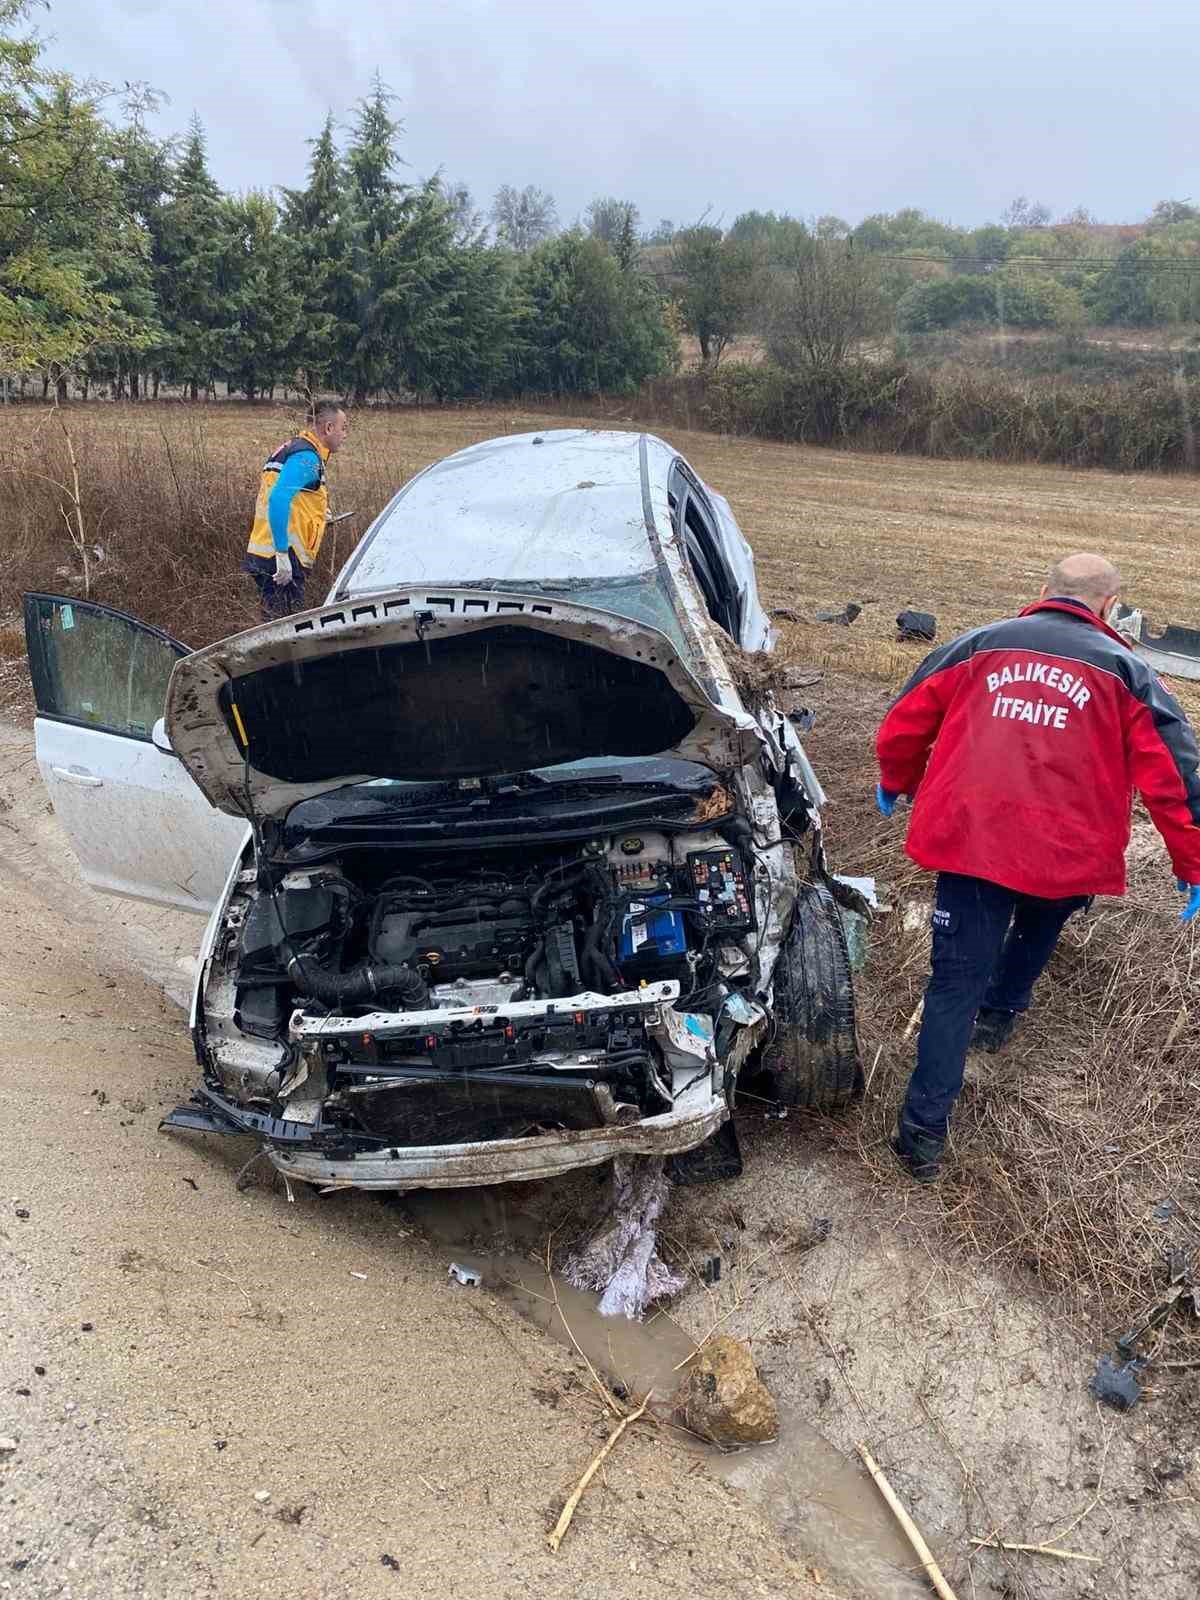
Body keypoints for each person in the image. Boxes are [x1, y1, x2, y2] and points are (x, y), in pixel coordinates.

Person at [875, 552, 1200, 1183]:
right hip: (1066, 852)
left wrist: (898, 776)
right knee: (1040, 922)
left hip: (970, 843)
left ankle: (921, 1137)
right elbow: (1177, 777)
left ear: (1042, 592)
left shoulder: (976, 645)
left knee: (950, 988)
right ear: (1109, 607)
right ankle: (999, 1017)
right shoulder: (1130, 672)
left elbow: (904, 720)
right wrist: (1192, 860)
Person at [243, 401, 349, 618]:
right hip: (282, 558)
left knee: (271, 623)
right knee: (285, 632)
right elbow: (279, 499)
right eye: (343, 427)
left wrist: (319, 515)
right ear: (328, 428)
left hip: (264, 551)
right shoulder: (307, 458)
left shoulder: (291, 448)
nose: (345, 434)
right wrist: (282, 554)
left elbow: (293, 496)